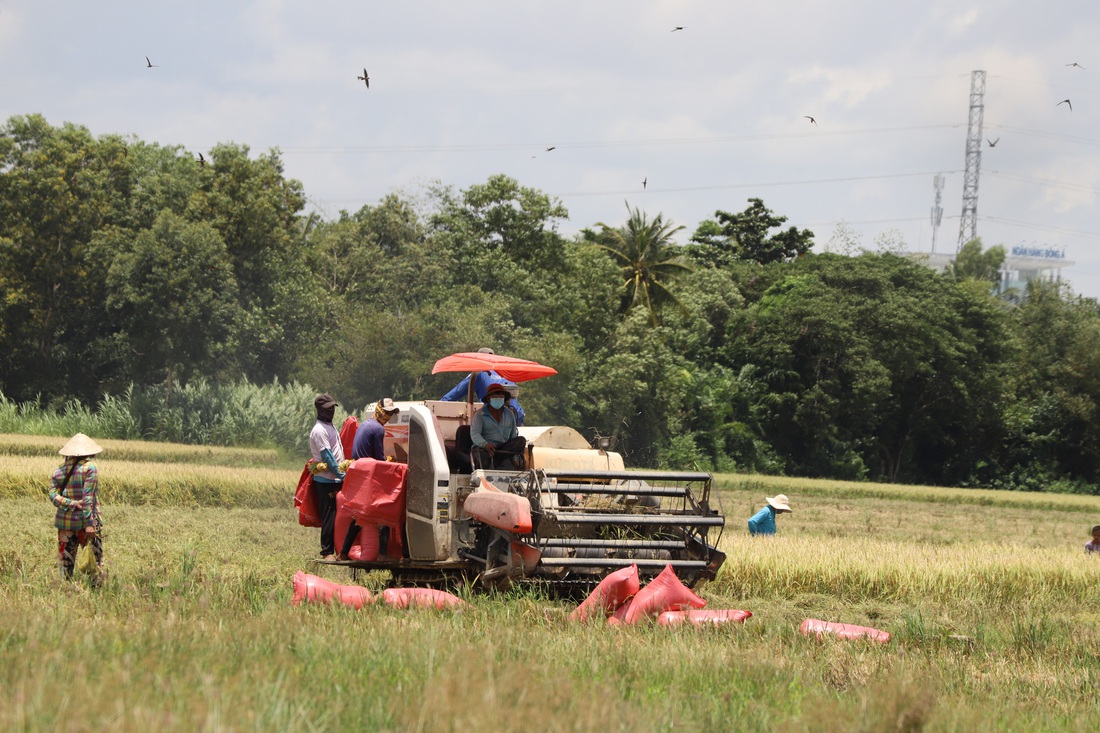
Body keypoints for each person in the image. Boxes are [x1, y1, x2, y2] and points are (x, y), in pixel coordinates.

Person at [49, 432, 105, 583]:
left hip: (65, 524)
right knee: (95, 563)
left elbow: (53, 496)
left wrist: (71, 503)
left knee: (65, 565)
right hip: (85, 524)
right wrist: (89, 524)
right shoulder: (90, 468)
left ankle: (66, 594)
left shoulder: (58, 471)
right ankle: (95, 596)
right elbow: (88, 498)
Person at [440, 347, 526, 426]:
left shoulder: (478, 373)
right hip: (517, 417)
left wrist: (438, 405)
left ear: (478, 360)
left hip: (495, 419)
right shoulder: (506, 372)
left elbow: (456, 392)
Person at [309, 393, 346, 560]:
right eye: (327, 408)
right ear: (320, 410)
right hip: (326, 480)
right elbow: (328, 457)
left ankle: (339, 550)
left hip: (335, 478)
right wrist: (342, 475)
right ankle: (327, 552)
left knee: (338, 515)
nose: (331, 410)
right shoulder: (319, 430)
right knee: (329, 515)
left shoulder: (329, 426)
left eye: (332, 407)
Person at [470, 382, 527, 470]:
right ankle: (495, 460)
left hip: (503, 448)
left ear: (504, 399)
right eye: (495, 396)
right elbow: (475, 434)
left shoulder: (509, 414)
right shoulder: (480, 414)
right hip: (484, 448)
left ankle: (497, 460)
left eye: (501, 396)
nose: (498, 399)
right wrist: (485, 445)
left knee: (521, 440)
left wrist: (514, 457)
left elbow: (513, 437)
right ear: (489, 399)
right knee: (481, 456)